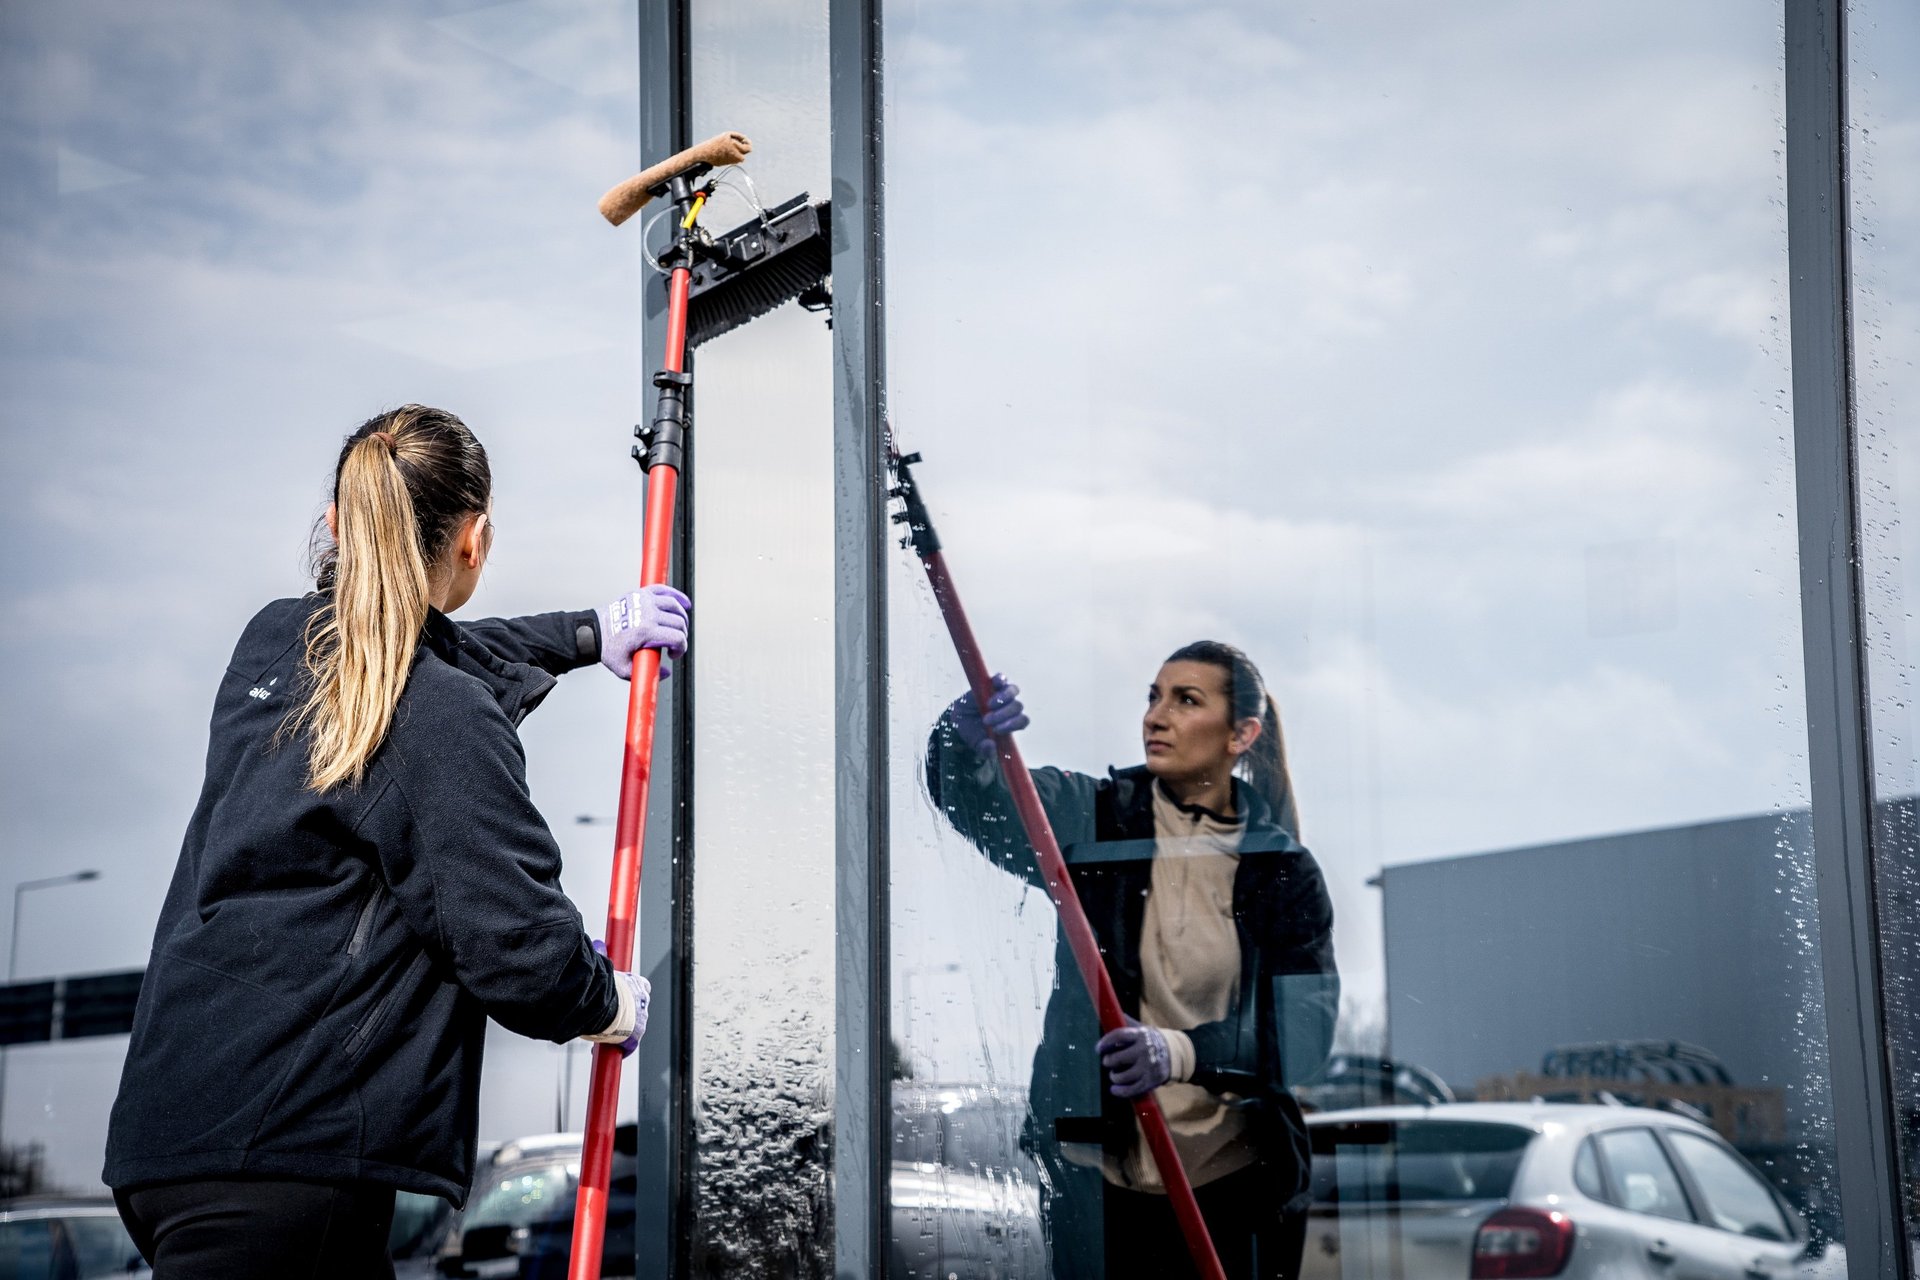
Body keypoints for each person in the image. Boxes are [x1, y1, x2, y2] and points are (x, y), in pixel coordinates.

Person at [103, 405, 689, 1277]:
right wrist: (606, 1002)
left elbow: (422, 652)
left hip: (171, 1140)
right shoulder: (437, 715)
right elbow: (514, 945)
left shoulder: (272, 644)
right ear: (475, 540)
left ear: (338, 522)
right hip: (292, 1154)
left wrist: (586, 632)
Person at [927, 642, 1338, 1280]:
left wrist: (1178, 1052)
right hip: (1100, 1187)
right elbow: (983, 806)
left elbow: (1305, 1029)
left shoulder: (1280, 868)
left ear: (1242, 735)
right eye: (1153, 696)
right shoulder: (1093, 819)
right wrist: (963, 744)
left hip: (1232, 1186)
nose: (1156, 715)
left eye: (1186, 700)